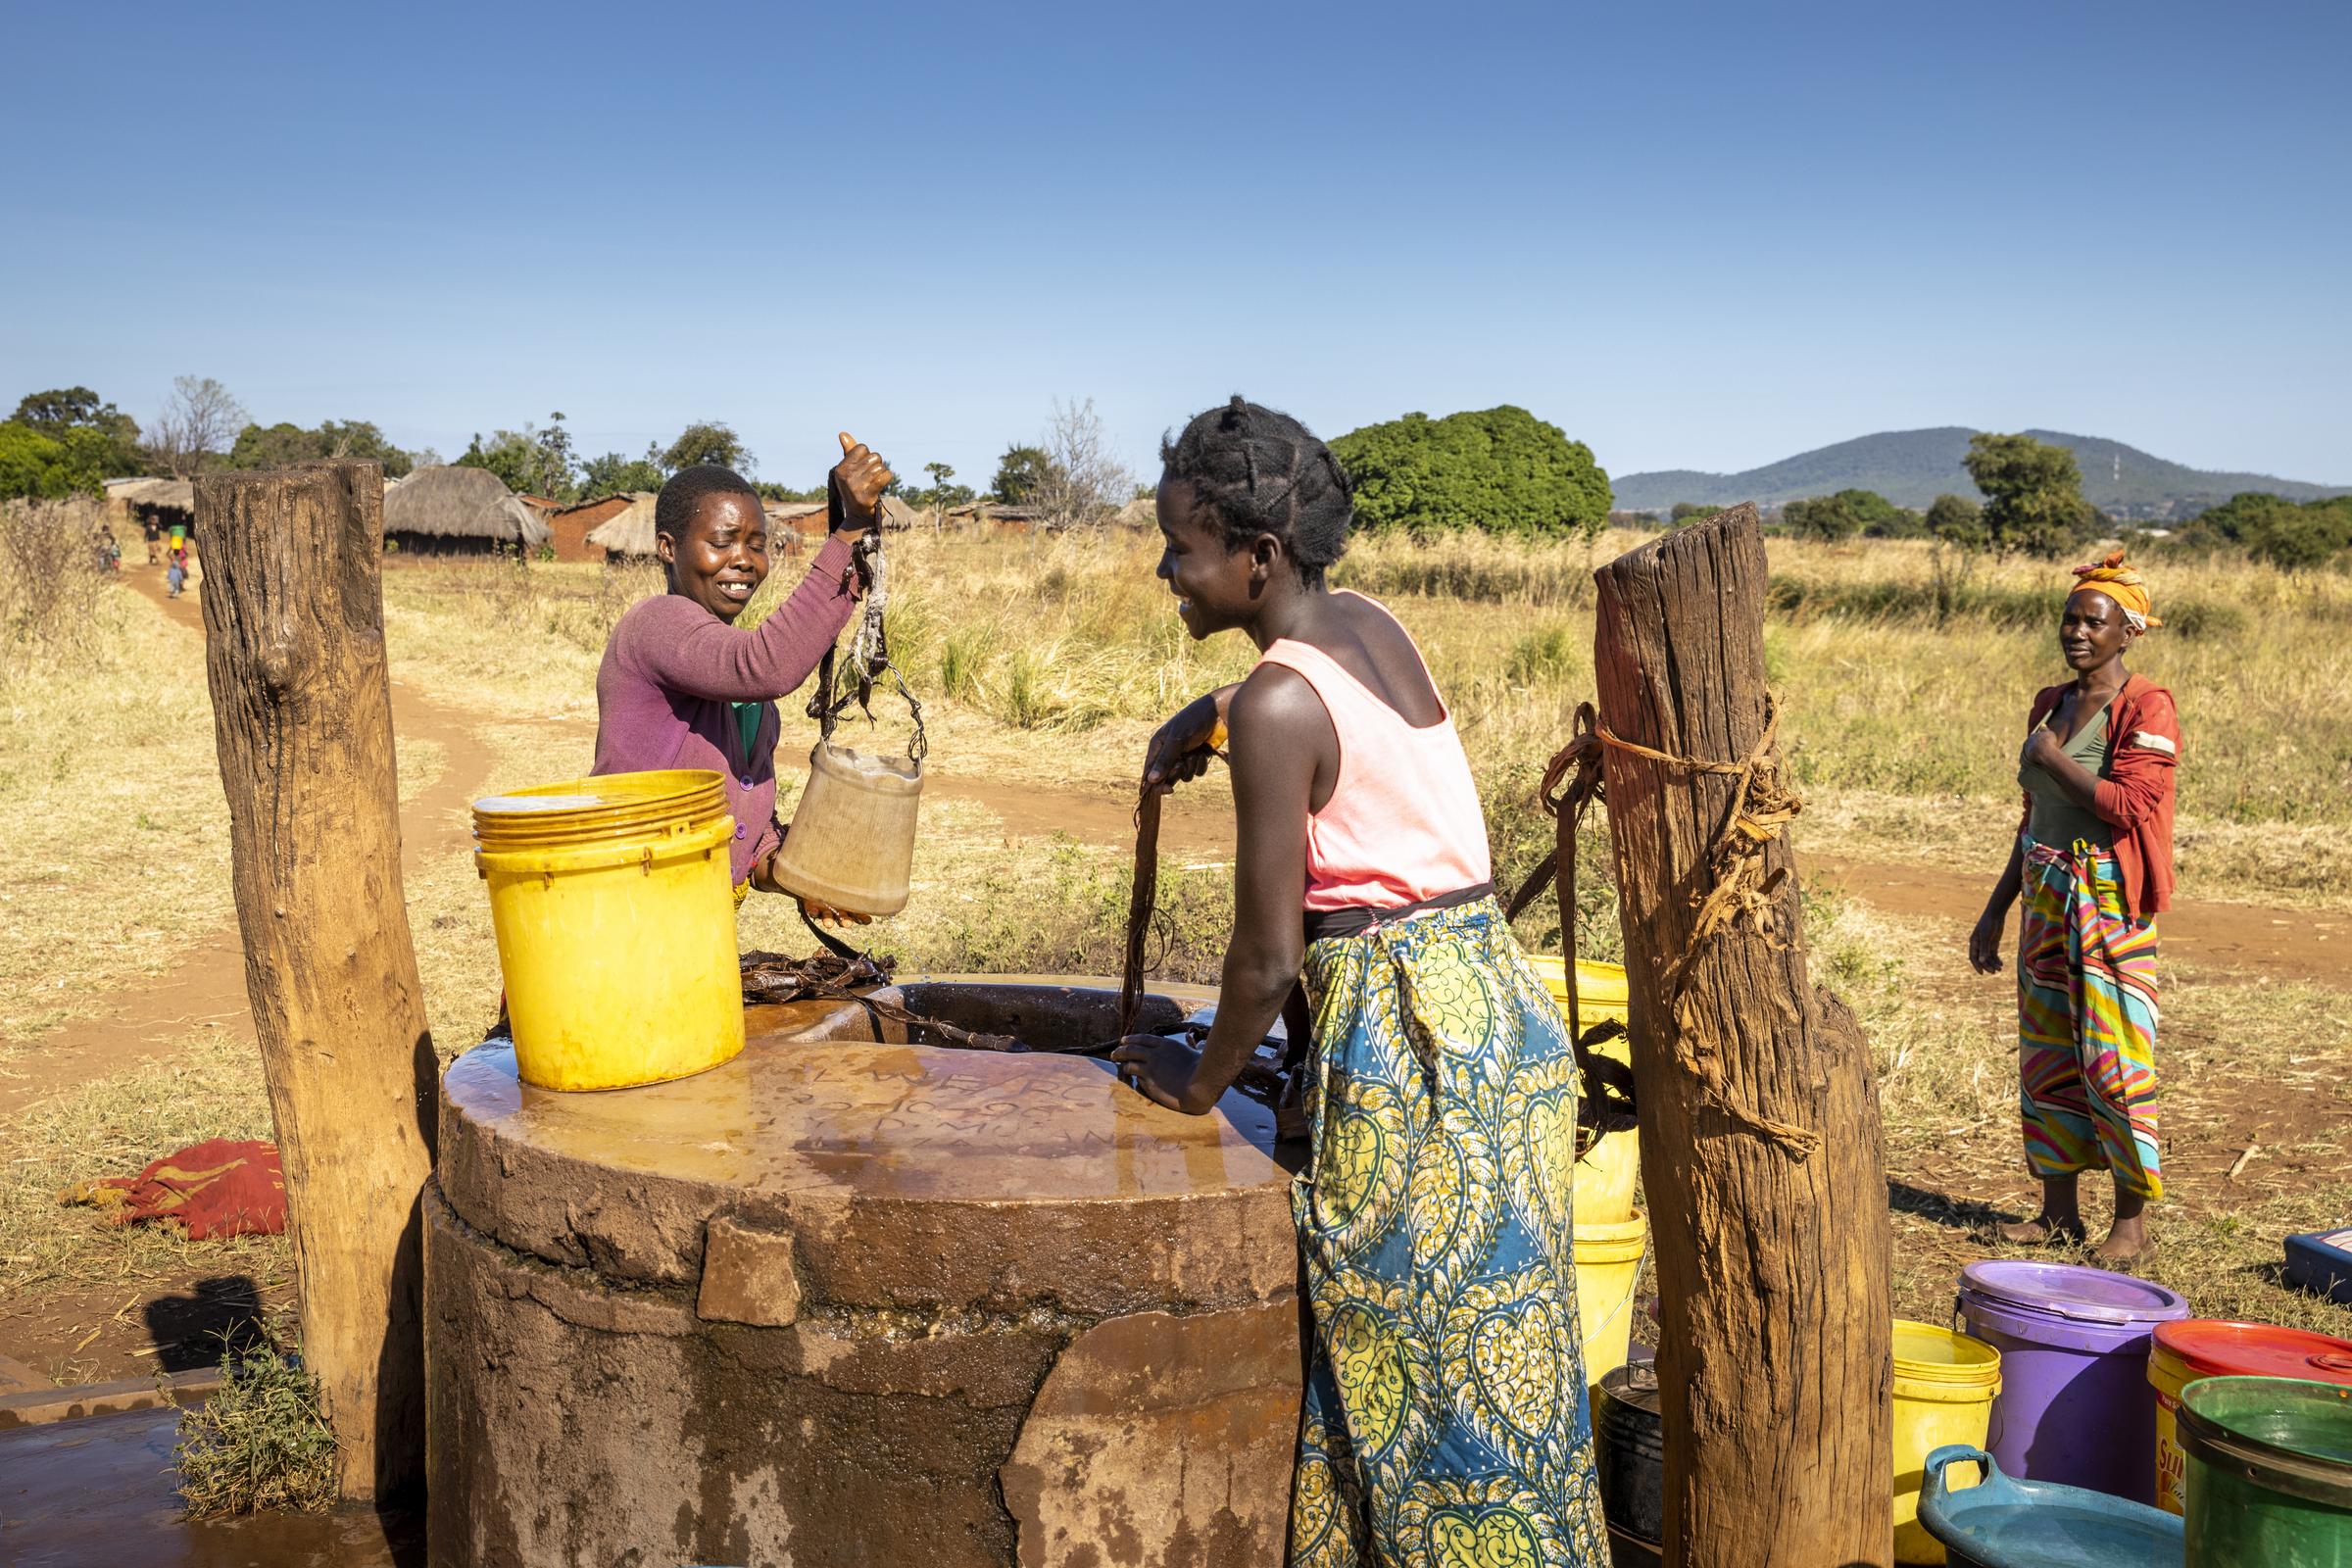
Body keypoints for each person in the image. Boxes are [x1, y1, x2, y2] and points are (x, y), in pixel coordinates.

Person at [1112, 397, 1606, 1565]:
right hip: (1492, 1023)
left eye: (1182, 548)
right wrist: (1211, 710)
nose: (1167, 570)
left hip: (1411, 1051)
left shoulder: (1277, 703)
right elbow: (1341, 721)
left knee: (1425, 1402)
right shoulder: (1369, 622)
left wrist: (1194, 1081)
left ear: (1257, 556)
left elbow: (1266, 958)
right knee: (1500, 1386)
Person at [1970, 551, 2179, 1264]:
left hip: (2109, 898)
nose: (2078, 632)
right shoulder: (2049, 703)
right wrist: (1997, 906)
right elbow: (2033, 818)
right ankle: (2057, 1213)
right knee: (2048, 1051)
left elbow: (2129, 805)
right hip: (2045, 889)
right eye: (2071, 619)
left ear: (2129, 632)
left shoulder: (2146, 706)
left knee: (2113, 1055)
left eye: (2095, 622)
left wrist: (2052, 757)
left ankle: (2130, 1223)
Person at [593, 434, 892, 915]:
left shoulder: (740, 686)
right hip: (624, 904)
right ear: (668, 548)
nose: (744, 560)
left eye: (757, 545)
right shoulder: (656, 624)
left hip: (689, 924)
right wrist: (850, 529)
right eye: (721, 543)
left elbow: (746, 837)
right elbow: (767, 664)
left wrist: (801, 873)